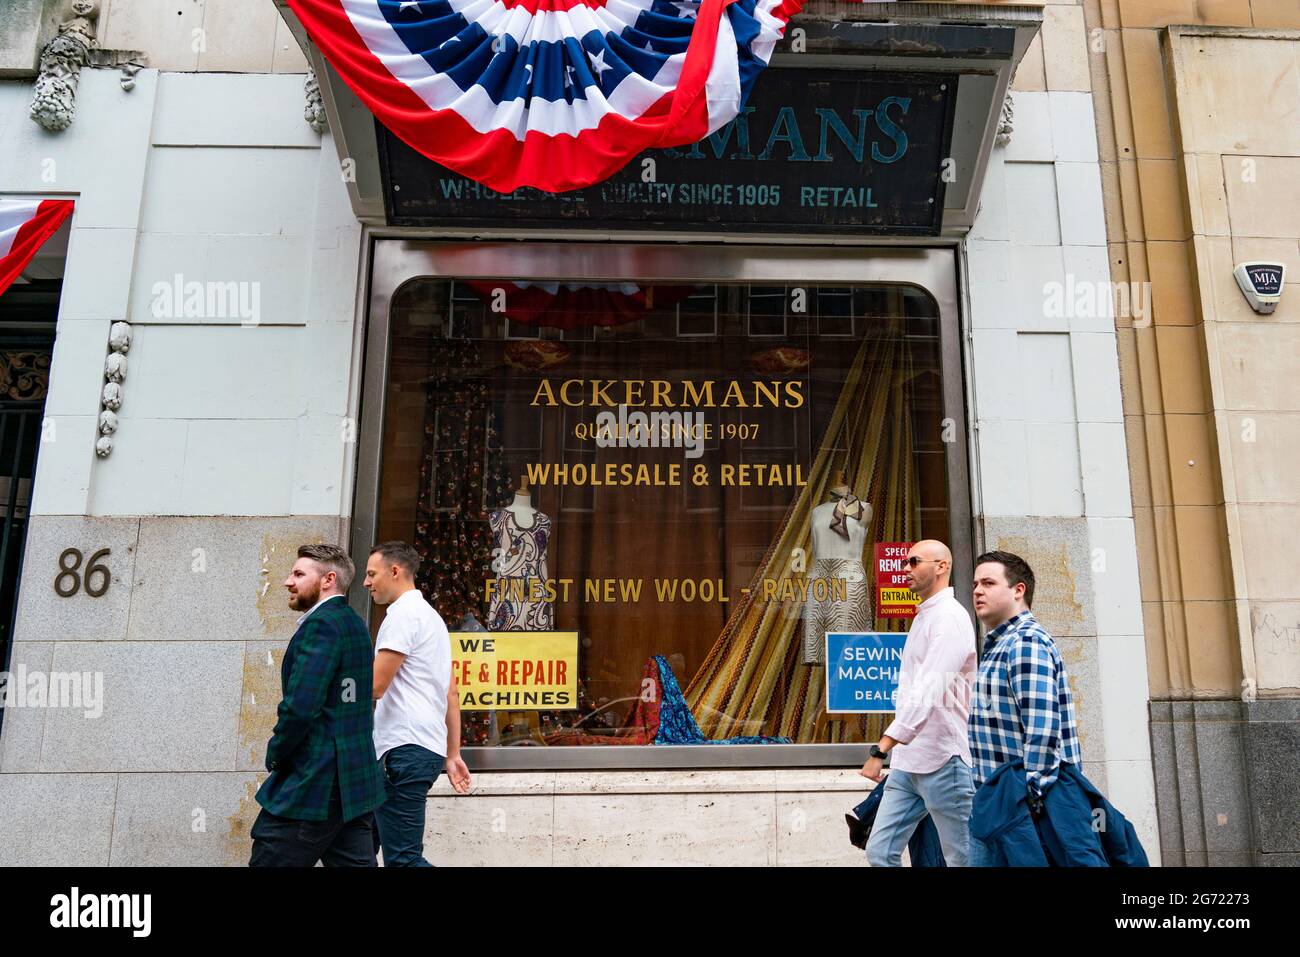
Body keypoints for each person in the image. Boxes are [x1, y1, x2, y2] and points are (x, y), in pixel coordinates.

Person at [250, 544, 385, 867]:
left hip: (315, 784)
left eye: (298, 574)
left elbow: (300, 707)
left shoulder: (321, 626)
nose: (287, 581)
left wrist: (276, 753)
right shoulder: (353, 623)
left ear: (328, 579)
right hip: (355, 787)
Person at [859, 539, 977, 866]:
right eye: (906, 562)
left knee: (962, 859)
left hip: (944, 761)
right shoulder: (924, 616)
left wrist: (881, 748)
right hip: (909, 762)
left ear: (941, 567)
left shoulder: (950, 619)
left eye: (914, 562)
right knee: (880, 852)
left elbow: (928, 690)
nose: (905, 568)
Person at [966, 550, 1081, 867]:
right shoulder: (1000, 644)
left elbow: (1042, 731)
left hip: (1019, 809)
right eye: (976, 583)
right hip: (997, 806)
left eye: (988, 583)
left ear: (1019, 590)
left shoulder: (1025, 642)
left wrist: (1028, 800)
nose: (977, 590)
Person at [364, 541, 472, 867]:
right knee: (355, 849)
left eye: (371, 574)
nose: (366, 582)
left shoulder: (402, 615)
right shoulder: (432, 619)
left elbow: (374, 687)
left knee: (404, 861)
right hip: (418, 749)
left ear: (394, 571)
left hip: (402, 749)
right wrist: (452, 754)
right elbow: (450, 694)